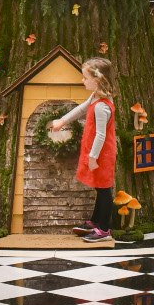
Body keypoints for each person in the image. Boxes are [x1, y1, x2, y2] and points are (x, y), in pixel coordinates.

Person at [49, 57, 118, 243]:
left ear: (98, 79)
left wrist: (94, 156)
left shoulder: (102, 105)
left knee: (104, 189)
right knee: (99, 186)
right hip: (96, 151)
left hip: (102, 153)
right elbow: (80, 109)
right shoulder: (96, 96)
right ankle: (96, 222)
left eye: (85, 77)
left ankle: (104, 229)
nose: (82, 80)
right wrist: (62, 121)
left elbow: (101, 135)